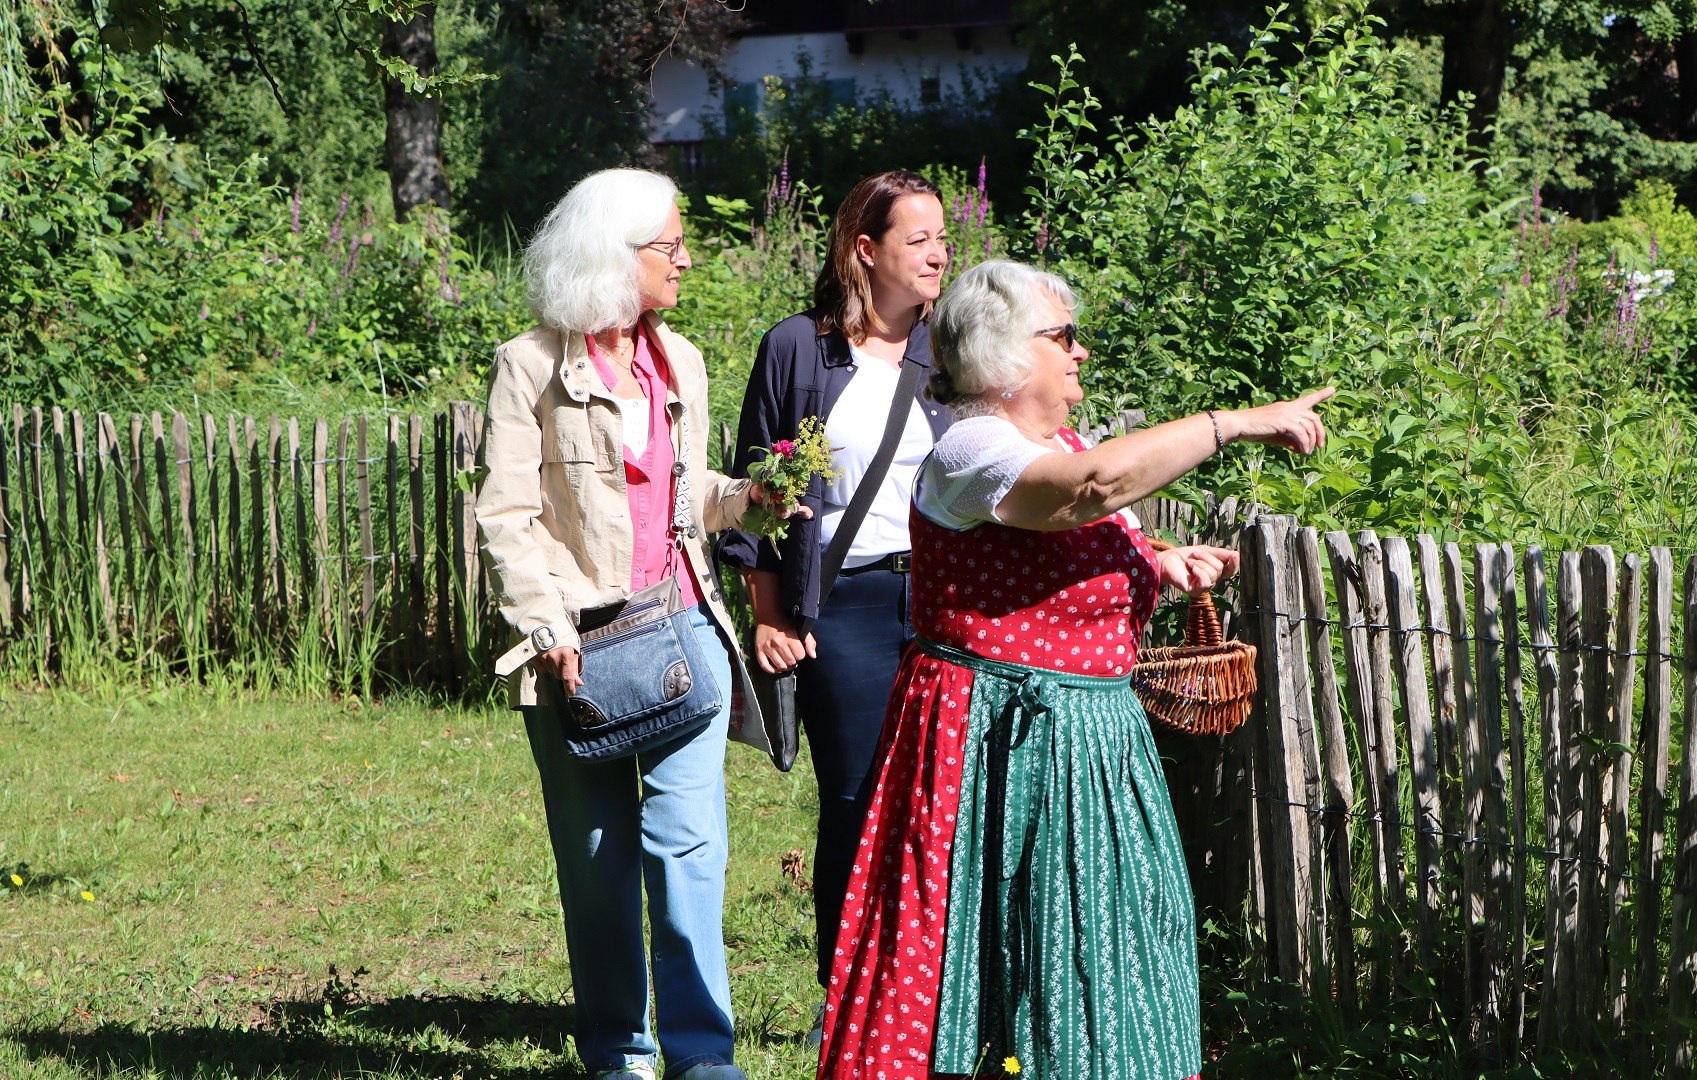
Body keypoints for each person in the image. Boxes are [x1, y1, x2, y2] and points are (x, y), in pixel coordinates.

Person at [817, 259, 1335, 1080]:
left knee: (1108, 946)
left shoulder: (1052, 440)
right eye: (1063, 336)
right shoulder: (970, 449)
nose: (1081, 353)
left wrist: (1156, 567)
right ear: (1004, 357)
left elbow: (1063, 534)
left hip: (1089, 744)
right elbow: (1086, 491)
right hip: (993, 748)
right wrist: (1230, 423)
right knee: (980, 950)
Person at [477, 168, 793, 1080]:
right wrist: (548, 629)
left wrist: (753, 501)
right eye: (669, 247)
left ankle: (704, 1058)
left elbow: (686, 493)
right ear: (616, 259)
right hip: (578, 657)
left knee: (690, 855)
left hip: (684, 639)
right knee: (599, 868)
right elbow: (505, 516)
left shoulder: (680, 360)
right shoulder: (530, 364)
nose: (686, 259)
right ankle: (620, 1052)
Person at [716, 169, 952, 1040]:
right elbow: (755, 490)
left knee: (941, 802)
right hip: (842, 606)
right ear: (866, 249)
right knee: (854, 801)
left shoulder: (954, 350)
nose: (938, 252)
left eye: (941, 238)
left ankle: (931, 997)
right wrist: (769, 614)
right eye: (917, 238)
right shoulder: (798, 351)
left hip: (941, 605)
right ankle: (846, 999)